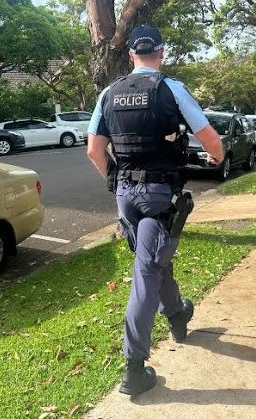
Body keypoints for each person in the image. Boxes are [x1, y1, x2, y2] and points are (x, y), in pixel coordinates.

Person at [87, 25, 223, 396]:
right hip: (160, 194)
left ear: (131, 54)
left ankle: (178, 313)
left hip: (126, 195)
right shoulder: (171, 89)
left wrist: (116, 180)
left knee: (154, 262)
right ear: (161, 52)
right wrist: (215, 155)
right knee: (147, 270)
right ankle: (134, 366)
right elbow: (212, 142)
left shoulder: (109, 93)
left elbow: (94, 151)